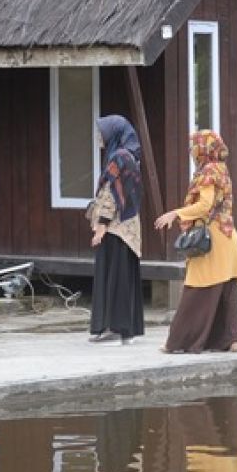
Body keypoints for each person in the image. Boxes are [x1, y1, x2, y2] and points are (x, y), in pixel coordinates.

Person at [154, 131, 237, 353]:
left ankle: (178, 342)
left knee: (195, 292)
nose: (191, 151)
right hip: (228, 238)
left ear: (203, 148)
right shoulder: (221, 169)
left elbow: (205, 205)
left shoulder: (207, 172)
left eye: (193, 146)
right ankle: (229, 340)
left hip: (212, 240)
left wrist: (175, 214)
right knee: (226, 290)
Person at [87, 115, 145, 345]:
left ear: (113, 133)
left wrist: (101, 225)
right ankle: (120, 329)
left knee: (114, 277)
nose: (98, 137)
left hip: (116, 229)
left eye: (101, 132)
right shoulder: (128, 156)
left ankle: (118, 329)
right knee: (119, 277)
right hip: (126, 229)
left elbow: (112, 194)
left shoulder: (119, 158)